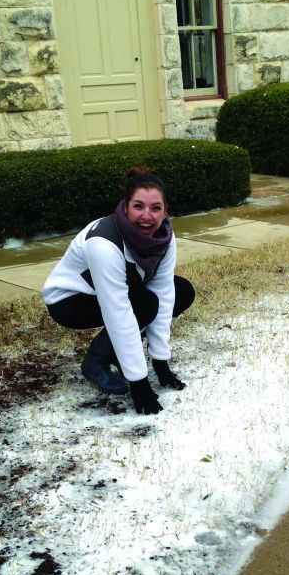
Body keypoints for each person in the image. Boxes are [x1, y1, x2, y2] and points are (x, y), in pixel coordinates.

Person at [43, 167, 195, 414]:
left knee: (181, 291)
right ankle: (96, 361)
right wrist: (139, 383)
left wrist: (160, 361)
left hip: (122, 291)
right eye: (138, 206)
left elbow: (164, 290)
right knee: (144, 304)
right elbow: (118, 311)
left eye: (156, 208)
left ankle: (119, 353)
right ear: (125, 207)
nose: (147, 216)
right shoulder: (103, 243)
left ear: (165, 210)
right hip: (69, 301)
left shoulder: (165, 237)